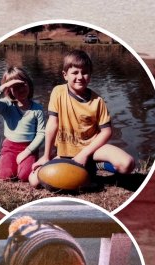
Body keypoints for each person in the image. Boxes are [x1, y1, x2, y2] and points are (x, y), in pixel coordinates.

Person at [30, 49, 135, 187]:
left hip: (92, 149)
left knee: (127, 164)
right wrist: (46, 155)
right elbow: (52, 124)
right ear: (65, 75)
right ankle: (88, 170)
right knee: (34, 181)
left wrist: (84, 154)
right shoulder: (58, 92)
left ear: (90, 75)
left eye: (85, 72)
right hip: (66, 152)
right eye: (75, 72)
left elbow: (107, 131)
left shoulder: (97, 101)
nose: (80, 77)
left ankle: (96, 166)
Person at [0, 66, 45, 181]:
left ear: (29, 83)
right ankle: (9, 165)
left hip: (29, 148)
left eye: (23, 84)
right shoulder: (6, 105)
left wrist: (27, 152)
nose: (20, 89)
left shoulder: (37, 109)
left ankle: (31, 165)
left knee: (24, 176)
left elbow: (41, 133)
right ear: (9, 90)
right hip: (10, 147)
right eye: (15, 87)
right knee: (5, 175)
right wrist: (4, 86)